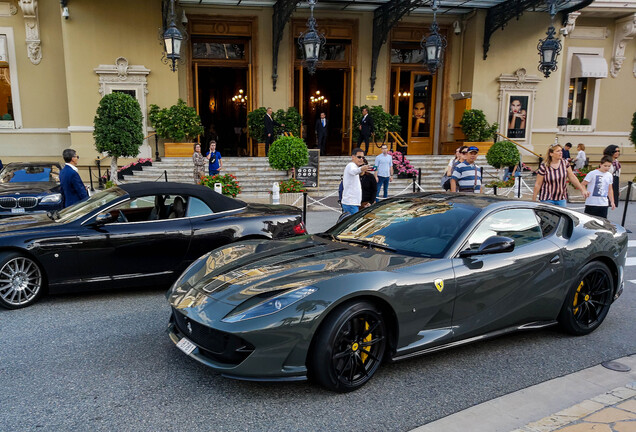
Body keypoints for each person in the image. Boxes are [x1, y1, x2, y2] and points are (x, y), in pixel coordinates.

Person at [341, 148, 369, 216]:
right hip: (350, 203)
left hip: (353, 203)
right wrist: (361, 169)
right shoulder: (351, 165)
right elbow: (353, 171)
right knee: (353, 225)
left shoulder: (354, 166)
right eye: (359, 157)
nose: (361, 159)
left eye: (363, 157)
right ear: (353, 157)